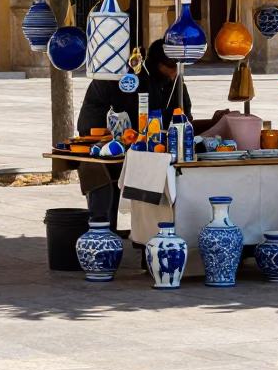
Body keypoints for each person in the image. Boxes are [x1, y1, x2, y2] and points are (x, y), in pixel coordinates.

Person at [75, 39, 228, 229]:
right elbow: (90, 119)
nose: (175, 74)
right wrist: (107, 141)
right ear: (157, 63)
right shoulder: (114, 77)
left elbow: (184, 115)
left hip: (156, 150)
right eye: (171, 67)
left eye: (178, 68)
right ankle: (103, 231)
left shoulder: (174, 82)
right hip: (109, 147)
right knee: (99, 179)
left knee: (165, 185)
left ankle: (153, 233)